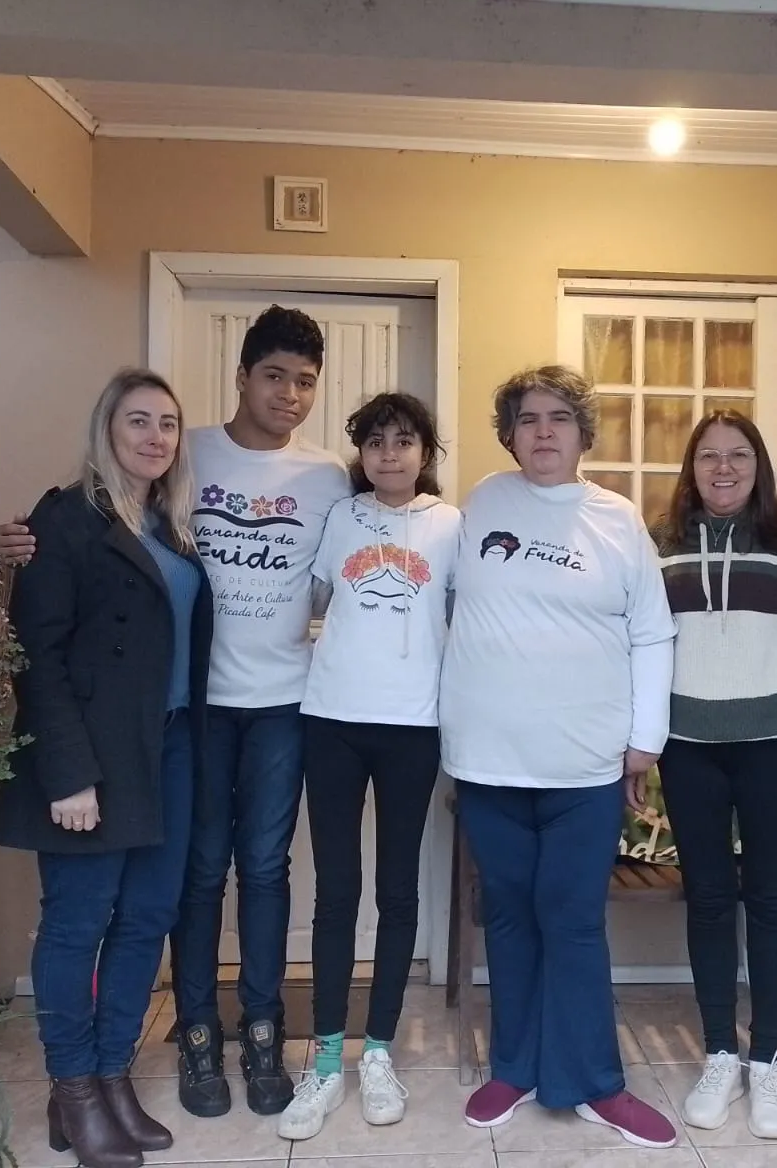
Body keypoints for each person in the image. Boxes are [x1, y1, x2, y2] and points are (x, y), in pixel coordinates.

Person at [0, 306, 351, 1118]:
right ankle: (192, 1036)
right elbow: (81, 560)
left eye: (304, 382)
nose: (289, 394)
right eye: (274, 375)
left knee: (261, 870)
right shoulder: (188, 456)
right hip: (193, 714)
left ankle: (261, 1029)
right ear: (242, 376)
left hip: (279, 704)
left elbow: (375, 540)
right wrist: (17, 542)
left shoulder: (329, 475)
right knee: (192, 876)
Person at [438, 365, 680, 1149]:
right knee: (509, 916)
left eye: (559, 418)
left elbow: (653, 632)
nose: (543, 431)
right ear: (510, 435)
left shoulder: (616, 519)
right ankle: (514, 1067)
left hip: (585, 765)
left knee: (572, 922)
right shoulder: (481, 503)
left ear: (582, 434)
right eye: (528, 419)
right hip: (488, 759)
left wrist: (645, 740)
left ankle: (597, 1084)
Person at [0, 369, 212, 1168]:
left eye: (168, 424)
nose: (155, 437)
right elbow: (38, 656)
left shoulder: (170, 524)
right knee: (78, 924)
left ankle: (112, 1076)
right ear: (107, 430)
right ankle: (74, 1090)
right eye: (138, 421)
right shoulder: (66, 520)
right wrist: (68, 774)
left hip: (169, 748)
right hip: (93, 754)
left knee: (147, 917)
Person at [652, 410, 777, 1139]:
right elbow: (642, 645)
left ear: (758, 465)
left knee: (769, 903)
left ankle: (767, 1060)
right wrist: (642, 743)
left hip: (776, 749)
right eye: (709, 456)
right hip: (689, 748)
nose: (724, 468)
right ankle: (720, 1054)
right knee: (707, 902)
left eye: (738, 455)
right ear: (692, 466)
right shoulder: (662, 542)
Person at [277, 391, 461, 1141]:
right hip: (332, 721)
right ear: (361, 453)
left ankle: (378, 1048)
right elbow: (308, 599)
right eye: (376, 441)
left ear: (425, 452)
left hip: (413, 726)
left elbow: (467, 618)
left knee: (396, 889)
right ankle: (325, 1058)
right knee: (336, 891)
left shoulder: (451, 525)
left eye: (404, 440)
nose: (390, 453)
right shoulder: (341, 518)